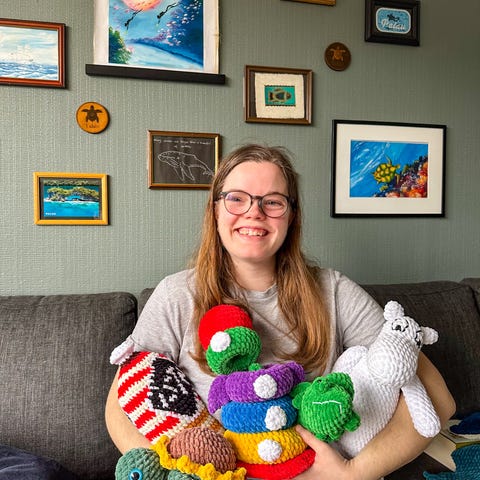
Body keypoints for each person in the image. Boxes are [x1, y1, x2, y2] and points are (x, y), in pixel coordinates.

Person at [105, 143, 455, 479]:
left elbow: (438, 399)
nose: (253, 212)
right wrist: (174, 471)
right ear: (215, 210)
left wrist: (353, 474)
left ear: (291, 216)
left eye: (272, 202)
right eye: (236, 198)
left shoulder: (334, 291)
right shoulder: (176, 295)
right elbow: (120, 406)